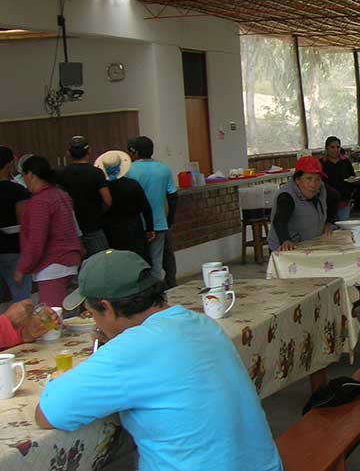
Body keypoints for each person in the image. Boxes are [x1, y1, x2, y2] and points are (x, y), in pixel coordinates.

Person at [36, 249, 283, 471]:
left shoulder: (131, 349)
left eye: (91, 314)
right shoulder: (202, 323)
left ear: (107, 308)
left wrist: (113, 350)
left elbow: (49, 413)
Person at [15, 155, 81, 307]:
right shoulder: (61, 194)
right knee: (68, 313)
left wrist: (23, 267)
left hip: (52, 264)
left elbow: (36, 240)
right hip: (70, 260)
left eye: (24, 176)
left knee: (53, 317)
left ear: (30, 175)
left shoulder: (40, 201)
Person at [127, 136, 178, 286]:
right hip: (159, 222)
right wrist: (169, 220)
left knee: (139, 261)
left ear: (134, 152)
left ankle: (144, 292)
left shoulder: (129, 170)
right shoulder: (163, 169)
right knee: (157, 260)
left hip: (136, 223)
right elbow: (173, 196)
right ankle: (160, 291)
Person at [56, 136, 111, 257]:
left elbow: (58, 200)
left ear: (68, 153)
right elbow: (108, 201)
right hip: (94, 225)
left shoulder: (61, 173)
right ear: (89, 151)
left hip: (70, 228)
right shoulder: (96, 172)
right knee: (101, 262)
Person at [95, 150, 154, 264]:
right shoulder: (132, 185)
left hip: (110, 230)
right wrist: (150, 228)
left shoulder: (102, 189)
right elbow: (146, 208)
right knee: (137, 262)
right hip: (133, 228)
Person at [268, 157, 330, 252]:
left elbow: (335, 197)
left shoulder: (321, 187)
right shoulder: (287, 196)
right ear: (297, 179)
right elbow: (280, 220)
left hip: (308, 244)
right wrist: (285, 240)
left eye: (317, 179)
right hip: (286, 248)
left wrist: (328, 222)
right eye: (308, 178)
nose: (313, 184)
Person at [0, 147, 31, 301]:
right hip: (14, 249)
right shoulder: (17, 191)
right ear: (9, 165)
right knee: (21, 298)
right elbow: (25, 223)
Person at [320, 136, 356, 221]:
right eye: (332, 147)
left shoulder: (346, 162)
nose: (335, 150)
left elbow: (352, 176)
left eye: (338, 147)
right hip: (327, 202)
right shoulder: (321, 163)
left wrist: (351, 187)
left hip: (344, 200)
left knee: (344, 227)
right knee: (330, 228)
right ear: (326, 148)